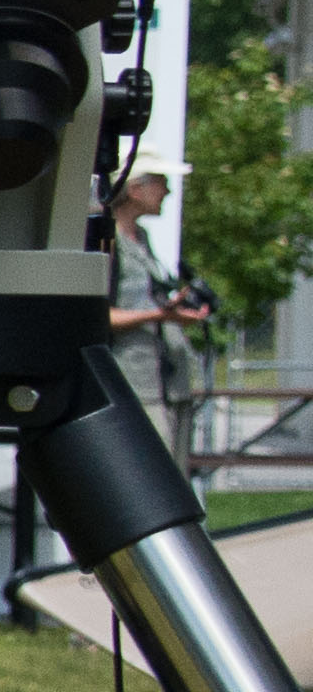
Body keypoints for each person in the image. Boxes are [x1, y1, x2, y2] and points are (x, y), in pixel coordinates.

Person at [104, 167, 207, 484]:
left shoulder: (142, 239)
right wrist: (160, 316)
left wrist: (172, 309)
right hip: (135, 381)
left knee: (173, 476)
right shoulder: (108, 241)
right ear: (135, 189)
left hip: (168, 381)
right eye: (162, 183)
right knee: (151, 479)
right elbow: (98, 316)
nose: (168, 193)